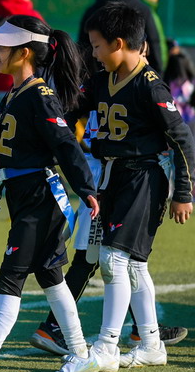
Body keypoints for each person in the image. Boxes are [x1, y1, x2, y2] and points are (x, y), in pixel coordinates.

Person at [0, 16, 99, 372]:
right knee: (50, 275)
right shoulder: (14, 94)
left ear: (24, 52)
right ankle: (81, 354)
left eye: (3, 46)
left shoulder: (40, 96)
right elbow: (2, 148)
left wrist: (87, 189)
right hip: (23, 197)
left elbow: (65, 145)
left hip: (40, 199)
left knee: (11, 276)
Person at [63, 2, 194, 372]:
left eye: (97, 46)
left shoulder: (150, 86)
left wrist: (183, 193)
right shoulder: (102, 79)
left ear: (119, 43)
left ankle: (106, 345)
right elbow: (73, 108)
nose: (93, 54)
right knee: (134, 264)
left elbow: (182, 139)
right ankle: (151, 345)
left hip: (144, 177)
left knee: (113, 259)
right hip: (113, 176)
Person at [29, 109, 189, 356]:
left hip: (111, 172)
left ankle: (141, 328)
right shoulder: (102, 88)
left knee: (122, 253)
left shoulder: (103, 89)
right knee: (92, 256)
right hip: (102, 173)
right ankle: (54, 326)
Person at [77, 0, 162, 73]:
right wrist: (157, 74)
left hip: (96, 75)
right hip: (135, 75)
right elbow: (154, 42)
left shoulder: (92, 10)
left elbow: (82, 46)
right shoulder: (143, 9)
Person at [139, 0, 168, 71]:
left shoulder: (149, 9)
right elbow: (154, 41)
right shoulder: (146, 10)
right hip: (152, 69)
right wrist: (159, 67)